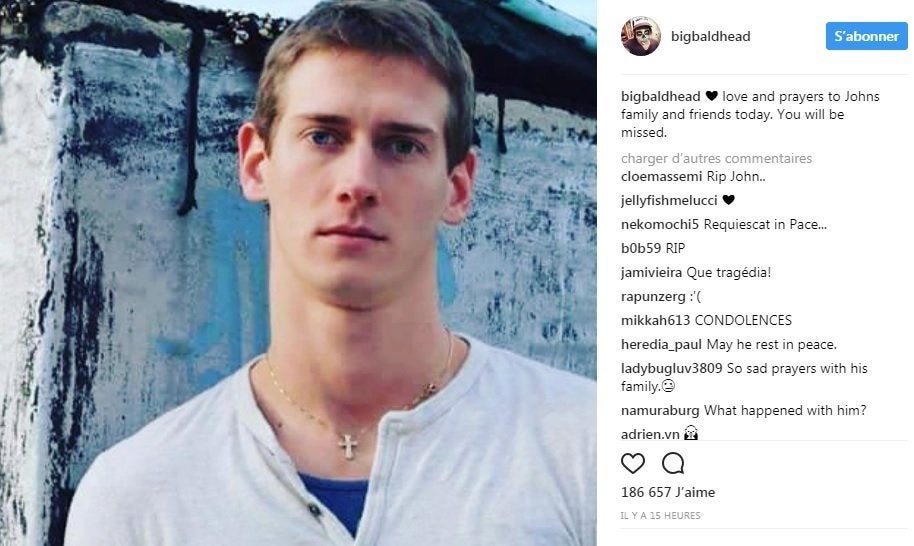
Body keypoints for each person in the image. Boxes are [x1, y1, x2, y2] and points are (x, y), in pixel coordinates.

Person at [64, 1, 595, 544]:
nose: (358, 181)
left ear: (457, 188)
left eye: (401, 145)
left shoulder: (591, 451)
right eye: (323, 136)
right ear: (256, 164)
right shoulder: (138, 497)